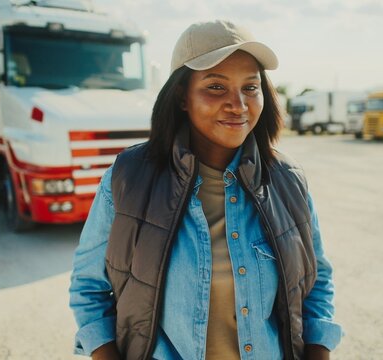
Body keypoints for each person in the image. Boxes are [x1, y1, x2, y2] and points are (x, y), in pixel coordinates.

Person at [69, 19, 343, 360]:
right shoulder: (128, 178)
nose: (238, 105)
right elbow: (88, 289)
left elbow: (316, 285)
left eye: (250, 87)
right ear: (182, 96)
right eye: (216, 87)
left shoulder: (289, 180)